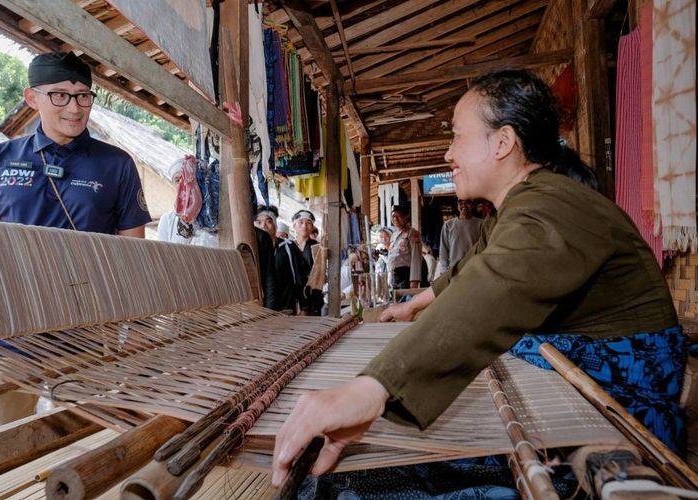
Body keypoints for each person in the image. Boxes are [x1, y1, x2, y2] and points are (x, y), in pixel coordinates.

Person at [272, 70, 684, 495]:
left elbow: (496, 284)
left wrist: (373, 388)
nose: (448, 153)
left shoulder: (551, 205)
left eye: (457, 136)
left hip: (615, 406)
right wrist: (414, 306)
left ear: (503, 142)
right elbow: (473, 268)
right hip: (573, 382)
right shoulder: (523, 205)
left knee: (343, 484)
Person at [0, 51, 152, 433]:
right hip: (7, 333)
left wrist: (138, 333)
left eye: (83, 96)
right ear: (32, 98)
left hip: (86, 332)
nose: (74, 108)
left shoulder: (117, 165)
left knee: (82, 443)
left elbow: (135, 257)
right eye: (60, 95)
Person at [268, 209, 324, 315]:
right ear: (294, 226)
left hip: (312, 294)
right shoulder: (287, 247)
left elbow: (319, 274)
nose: (304, 226)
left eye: (308, 223)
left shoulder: (316, 247)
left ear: (312, 227)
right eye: (301, 222)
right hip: (291, 295)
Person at [157, 155, 217, 247]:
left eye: (186, 178)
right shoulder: (167, 220)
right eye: (177, 180)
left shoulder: (213, 215)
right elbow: (163, 255)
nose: (183, 184)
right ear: (173, 185)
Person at [437, 198, 482, 275]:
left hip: (475, 270)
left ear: (472, 205)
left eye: (467, 202)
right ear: (457, 206)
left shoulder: (481, 224)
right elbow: (443, 250)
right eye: (460, 203)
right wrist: (444, 270)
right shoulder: (448, 225)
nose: (464, 205)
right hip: (454, 271)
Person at [386, 205, 422, 290]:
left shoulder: (412, 233)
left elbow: (416, 258)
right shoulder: (394, 235)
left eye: (399, 216)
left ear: (406, 217)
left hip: (406, 276)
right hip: (395, 277)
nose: (395, 218)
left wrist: (414, 280)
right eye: (393, 216)